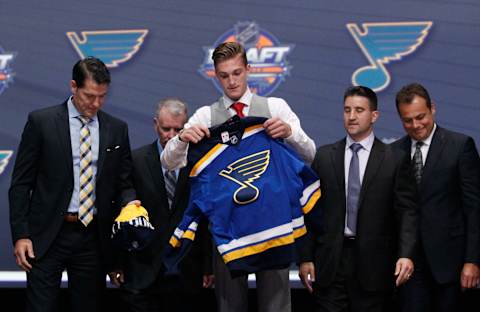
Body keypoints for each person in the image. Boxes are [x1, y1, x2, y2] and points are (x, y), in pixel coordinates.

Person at [161, 41, 316, 312]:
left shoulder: (275, 107)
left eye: (236, 73)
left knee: (276, 307)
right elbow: (169, 162)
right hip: (227, 227)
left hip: (273, 225)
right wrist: (183, 139)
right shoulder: (205, 116)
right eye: (224, 75)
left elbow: (310, 152)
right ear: (215, 75)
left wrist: (290, 134)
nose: (231, 82)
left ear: (248, 69)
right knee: (230, 307)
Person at [9, 57, 138, 312]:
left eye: (102, 96)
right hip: (47, 237)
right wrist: (21, 234)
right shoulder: (41, 122)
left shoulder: (116, 129)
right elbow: (21, 184)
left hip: (93, 238)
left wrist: (131, 202)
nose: (96, 103)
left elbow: (124, 183)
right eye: (90, 96)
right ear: (73, 86)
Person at [299, 86, 417, 312]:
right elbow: (311, 212)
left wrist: (406, 255)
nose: (351, 116)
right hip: (330, 263)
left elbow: (407, 212)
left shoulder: (394, 159)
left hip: (375, 268)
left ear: (374, 116)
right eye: (347, 110)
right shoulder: (324, 157)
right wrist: (305, 258)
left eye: (359, 110)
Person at [117, 98, 214, 311]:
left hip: (187, 268)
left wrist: (209, 266)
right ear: (155, 124)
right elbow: (122, 209)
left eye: (178, 129)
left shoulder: (200, 161)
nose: (171, 135)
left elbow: (207, 218)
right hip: (143, 267)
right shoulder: (136, 160)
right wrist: (118, 263)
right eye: (165, 128)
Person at [391, 83, 480, 312]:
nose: (415, 125)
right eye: (407, 120)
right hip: (409, 264)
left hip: (450, 264)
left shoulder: (460, 146)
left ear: (433, 109)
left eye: (420, 117)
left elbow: (474, 208)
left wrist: (472, 261)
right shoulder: (393, 153)